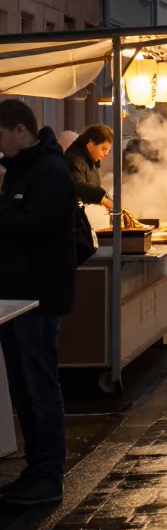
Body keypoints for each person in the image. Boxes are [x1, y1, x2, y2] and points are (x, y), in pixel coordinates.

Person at [0, 100, 77, 505]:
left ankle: (48, 473)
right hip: (15, 297)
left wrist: (3, 216)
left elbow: (38, 228)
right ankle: (35, 469)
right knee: (23, 387)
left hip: (37, 297)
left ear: (18, 131)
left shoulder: (47, 171)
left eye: (0, 135)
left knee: (39, 385)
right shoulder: (21, 169)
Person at [64, 124, 114, 213]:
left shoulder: (90, 160)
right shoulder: (73, 159)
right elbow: (77, 187)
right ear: (91, 143)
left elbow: (93, 185)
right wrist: (103, 199)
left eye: (108, 150)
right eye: (104, 148)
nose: (106, 153)